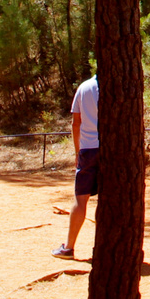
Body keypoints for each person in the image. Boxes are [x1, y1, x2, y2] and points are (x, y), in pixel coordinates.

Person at [52, 75, 98, 260]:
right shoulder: (117, 87)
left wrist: (77, 151)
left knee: (81, 200)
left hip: (87, 150)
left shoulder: (84, 87)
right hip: (111, 151)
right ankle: (102, 247)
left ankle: (69, 247)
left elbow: (76, 122)